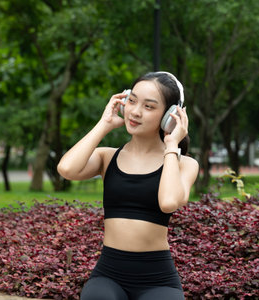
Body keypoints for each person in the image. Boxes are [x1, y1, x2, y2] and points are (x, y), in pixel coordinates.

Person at [57, 71, 199, 300]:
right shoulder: (107, 157)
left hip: (158, 280)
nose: (135, 111)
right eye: (132, 101)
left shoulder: (185, 164)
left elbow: (169, 202)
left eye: (149, 106)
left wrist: (172, 144)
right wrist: (103, 125)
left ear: (170, 115)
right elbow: (66, 169)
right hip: (108, 274)